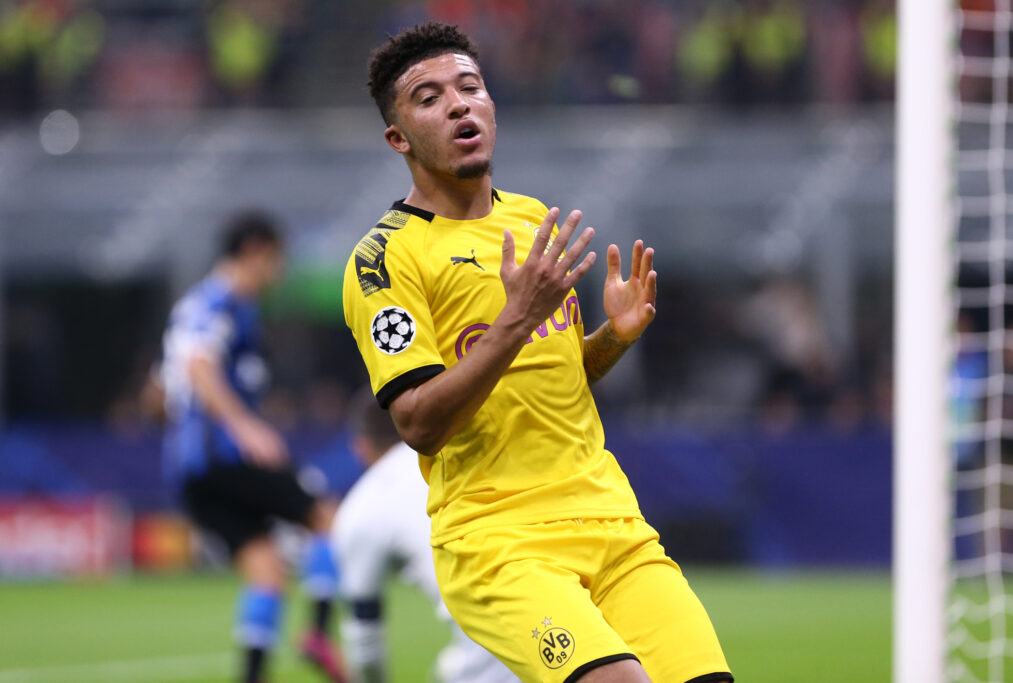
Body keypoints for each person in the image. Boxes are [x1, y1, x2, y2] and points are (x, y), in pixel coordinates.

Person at [341, 22, 732, 683]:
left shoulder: (529, 219)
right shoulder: (384, 259)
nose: (460, 104)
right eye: (429, 97)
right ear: (398, 138)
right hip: (501, 538)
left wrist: (615, 335)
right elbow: (417, 421)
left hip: (610, 518)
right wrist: (517, 318)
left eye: (470, 87)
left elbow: (554, 377)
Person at [161, 211, 346, 683]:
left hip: (190, 470)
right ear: (255, 252)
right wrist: (245, 427)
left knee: (265, 570)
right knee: (326, 517)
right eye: (276, 260)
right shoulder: (221, 300)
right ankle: (320, 634)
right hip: (221, 456)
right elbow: (200, 367)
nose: (278, 272)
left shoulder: (197, 307)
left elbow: (163, 388)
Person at [330, 391, 519, 683]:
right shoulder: (465, 450)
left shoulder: (361, 508)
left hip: (495, 645)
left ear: (361, 446)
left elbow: (364, 641)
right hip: (572, 611)